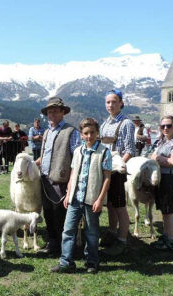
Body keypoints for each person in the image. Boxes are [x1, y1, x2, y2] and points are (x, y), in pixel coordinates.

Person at [51, 118, 112, 274]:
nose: (89, 136)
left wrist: (100, 199)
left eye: (92, 132)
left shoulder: (104, 152)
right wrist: (68, 193)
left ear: (97, 133)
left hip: (92, 199)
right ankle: (66, 262)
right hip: (74, 198)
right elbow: (73, 173)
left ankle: (91, 261)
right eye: (86, 133)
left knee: (91, 232)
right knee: (68, 230)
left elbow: (107, 177)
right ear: (81, 134)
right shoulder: (78, 151)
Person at [35, 97, 81, 257]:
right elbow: (46, 154)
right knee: (48, 213)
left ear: (63, 112)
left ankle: (66, 247)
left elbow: (77, 158)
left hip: (61, 180)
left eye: (55, 111)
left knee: (60, 215)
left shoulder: (71, 132)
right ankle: (53, 243)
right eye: (49, 111)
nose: (52, 114)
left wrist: (71, 181)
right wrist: (34, 163)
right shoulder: (47, 131)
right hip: (45, 179)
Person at [99, 89, 135, 256]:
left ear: (121, 103)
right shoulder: (105, 124)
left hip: (117, 171)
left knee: (120, 206)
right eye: (108, 102)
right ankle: (112, 232)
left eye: (114, 102)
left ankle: (122, 240)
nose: (111, 105)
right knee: (110, 205)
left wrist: (118, 165)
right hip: (104, 171)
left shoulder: (126, 123)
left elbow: (129, 150)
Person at [150, 115, 173, 251]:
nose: (165, 128)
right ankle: (166, 236)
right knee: (164, 209)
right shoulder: (161, 141)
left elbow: (172, 162)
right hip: (161, 178)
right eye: (162, 126)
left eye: (169, 125)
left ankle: (171, 240)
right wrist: (158, 158)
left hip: (169, 178)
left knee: (169, 210)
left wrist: (157, 157)